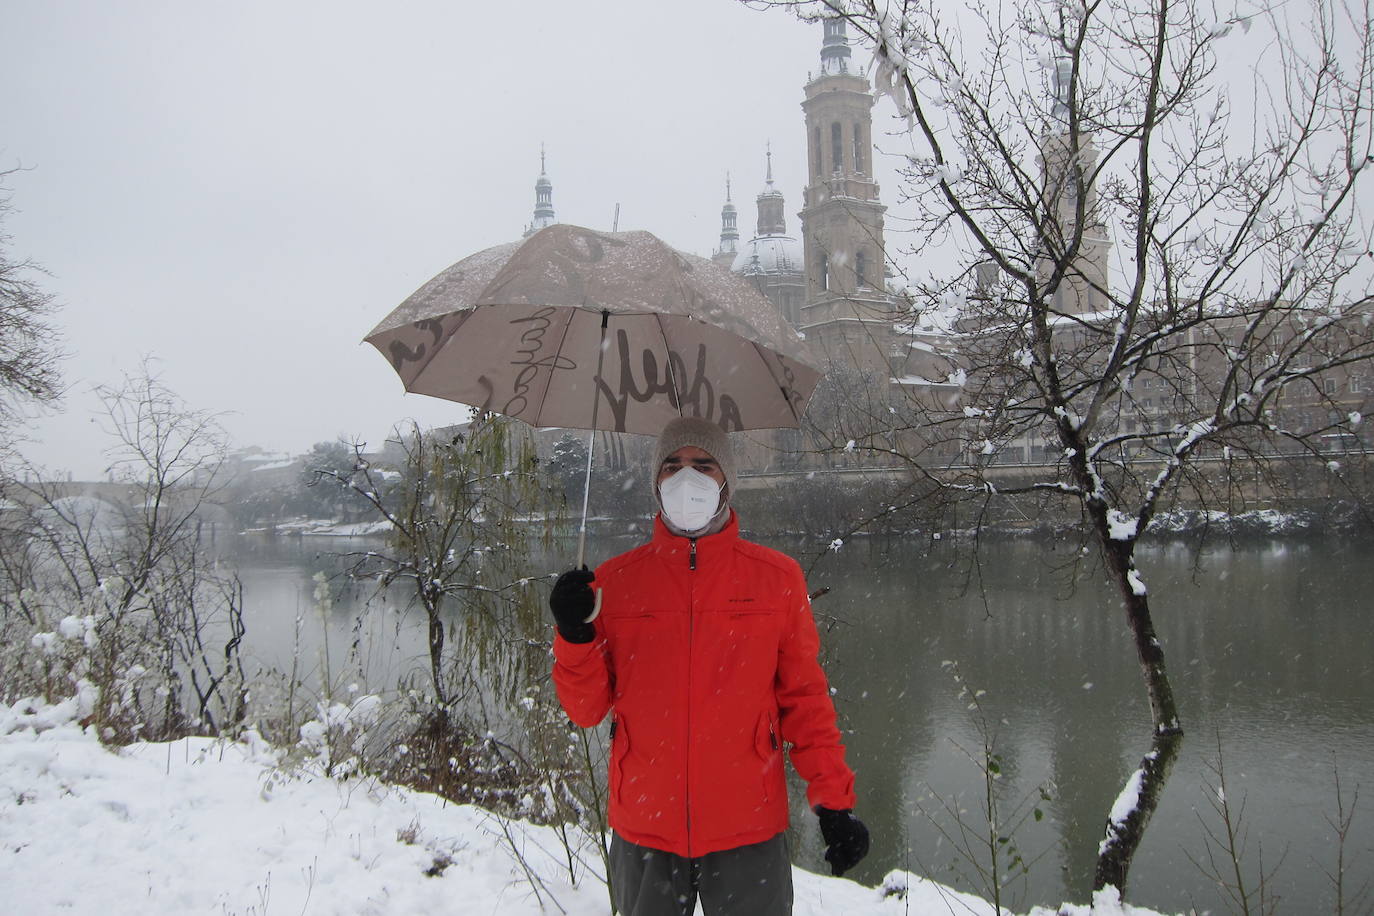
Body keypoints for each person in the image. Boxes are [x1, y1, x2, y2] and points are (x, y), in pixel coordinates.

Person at [550, 416, 869, 916]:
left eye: (703, 464)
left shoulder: (776, 579)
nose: (686, 478)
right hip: (645, 828)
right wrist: (574, 635)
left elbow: (806, 702)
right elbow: (587, 710)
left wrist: (833, 802)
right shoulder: (614, 583)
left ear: (727, 479)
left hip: (747, 826)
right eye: (672, 465)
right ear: (655, 480)